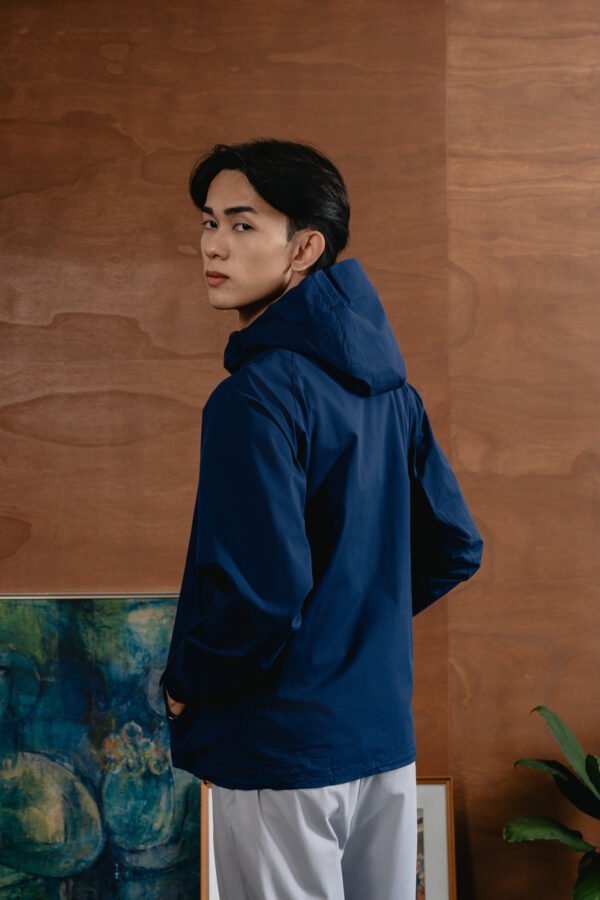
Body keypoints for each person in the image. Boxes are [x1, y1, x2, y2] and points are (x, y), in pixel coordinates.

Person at [159, 137, 484, 900]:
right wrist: (348, 622)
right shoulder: (392, 392)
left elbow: (263, 592)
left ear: (305, 248)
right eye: (209, 222)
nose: (213, 245)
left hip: (279, 746)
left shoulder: (254, 397)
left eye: (243, 224)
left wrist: (186, 683)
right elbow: (455, 545)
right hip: (381, 741)